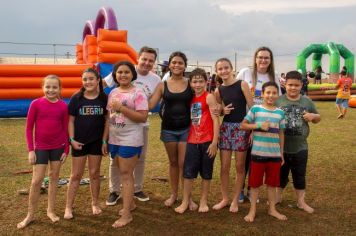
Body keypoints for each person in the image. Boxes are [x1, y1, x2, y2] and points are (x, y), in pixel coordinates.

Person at [104, 46, 161, 205]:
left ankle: (136, 188)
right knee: (114, 159)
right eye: (144, 59)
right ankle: (114, 190)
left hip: (139, 125)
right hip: (118, 125)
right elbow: (102, 84)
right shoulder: (125, 69)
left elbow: (151, 103)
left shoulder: (155, 79)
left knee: (140, 158)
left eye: (150, 61)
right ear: (138, 58)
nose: (147, 63)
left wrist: (136, 108)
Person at [17, 75, 69, 229]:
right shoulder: (36, 104)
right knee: (36, 180)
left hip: (58, 147)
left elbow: (66, 129)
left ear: (59, 89)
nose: (51, 90)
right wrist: (31, 150)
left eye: (54, 87)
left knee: (54, 178)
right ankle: (30, 215)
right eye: (48, 87)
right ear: (43, 87)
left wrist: (66, 149)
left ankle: (50, 211)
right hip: (40, 148)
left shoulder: (63, 106)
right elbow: (28, 128)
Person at [102, 61, 149, 228]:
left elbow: (142, 117)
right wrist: (105, 139)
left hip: (131, 139)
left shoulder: (139, 93)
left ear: (132, 74)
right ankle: (131, 204)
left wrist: (122, 108)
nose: (123, 75)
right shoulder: (113, 92)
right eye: (119, 72)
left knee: (126, 174)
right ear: (115, 75)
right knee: (122, 171)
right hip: (114, 139)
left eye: (126, 72)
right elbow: (109, 117)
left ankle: (127, 215)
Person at [149, 51, 196, 208]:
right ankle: (174, 194)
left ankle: (187, 197)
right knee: (173, 162)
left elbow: (202, 100)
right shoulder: (162, 85)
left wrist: (217, 107)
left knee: (184, 163)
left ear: (184, 66)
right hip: (168, 130)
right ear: (169, 65)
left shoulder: (191, 83)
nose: (177, 65)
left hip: (186, 129)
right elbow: (150, 105)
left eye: (180, 63)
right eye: (174, 62)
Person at [236, 46, 281, 203]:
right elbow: (235, 92)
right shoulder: (245, 73)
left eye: (266, 58)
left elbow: (277, 100)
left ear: (270, 60)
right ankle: (239, 190)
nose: (263, 60)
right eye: (260, 57)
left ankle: (251, 189)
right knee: (243, 159)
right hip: (245, 121)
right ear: (255, 59)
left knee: (256, 158)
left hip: (264, 125)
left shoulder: (273, 76)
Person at [174, 68, 220, 214]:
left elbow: (216, 120)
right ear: (190, 83)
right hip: (192, 141)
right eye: (195, 81)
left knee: (206, 173)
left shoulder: (209, 97)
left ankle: (203, 201)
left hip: (207, 142)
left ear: (206, 82)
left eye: (201, 81)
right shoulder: (190, 99)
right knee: (188, 173)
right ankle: (185, 201)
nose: (198, 84)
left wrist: (214, 142)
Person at [64, 68, 107, 219]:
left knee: (94, 174)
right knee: (76, 175)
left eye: (91, 79)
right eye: (85, 79)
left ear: (97, 81)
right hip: (79, 142)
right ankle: (68, 207)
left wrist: (104, 140)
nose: (88, 82)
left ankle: (95, 203)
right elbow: (70, 120)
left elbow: (107, 120)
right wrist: (72, 140)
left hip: (96, 142)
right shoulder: (77, 98)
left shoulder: (103, 98)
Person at [275, 70, 321, 214]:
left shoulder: (306, 101)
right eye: (290, 85)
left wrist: (313, 116)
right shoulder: (278, 100)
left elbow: (318, 118)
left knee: (299, 175)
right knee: (280, 175)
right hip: (280, 148)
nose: (293, 88)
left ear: (301, 85)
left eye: (296, 85)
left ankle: (301, 202)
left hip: (300, 147)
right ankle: (277, 197)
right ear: (285, 84)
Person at [241, 81, 287, 222]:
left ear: (278, 95)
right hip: (257, 155)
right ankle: (252, 210)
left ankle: (272, 209)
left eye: (274, 93)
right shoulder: (255, 109)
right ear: (262, 94)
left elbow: (281, 134)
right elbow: (243, 125)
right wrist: (259, 125)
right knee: (254, 185)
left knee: (272, 184)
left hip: (274, 155)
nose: (271, 95)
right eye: (268, 92)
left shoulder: (280, 113)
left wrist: (281, 153)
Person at [213, 58, 253, 212]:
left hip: (242, 128)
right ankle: (225, 198)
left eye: (226, 67)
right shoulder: (218, 90)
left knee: (239, 166)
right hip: (226, 129)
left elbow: (252, 107)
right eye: (220, 69)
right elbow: (219, 110)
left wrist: (251, 129)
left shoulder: (242, 84)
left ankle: (236, 199)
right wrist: (223, 111)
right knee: (224, 166)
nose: (223, 71)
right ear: (217, 71)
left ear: (231, 68)